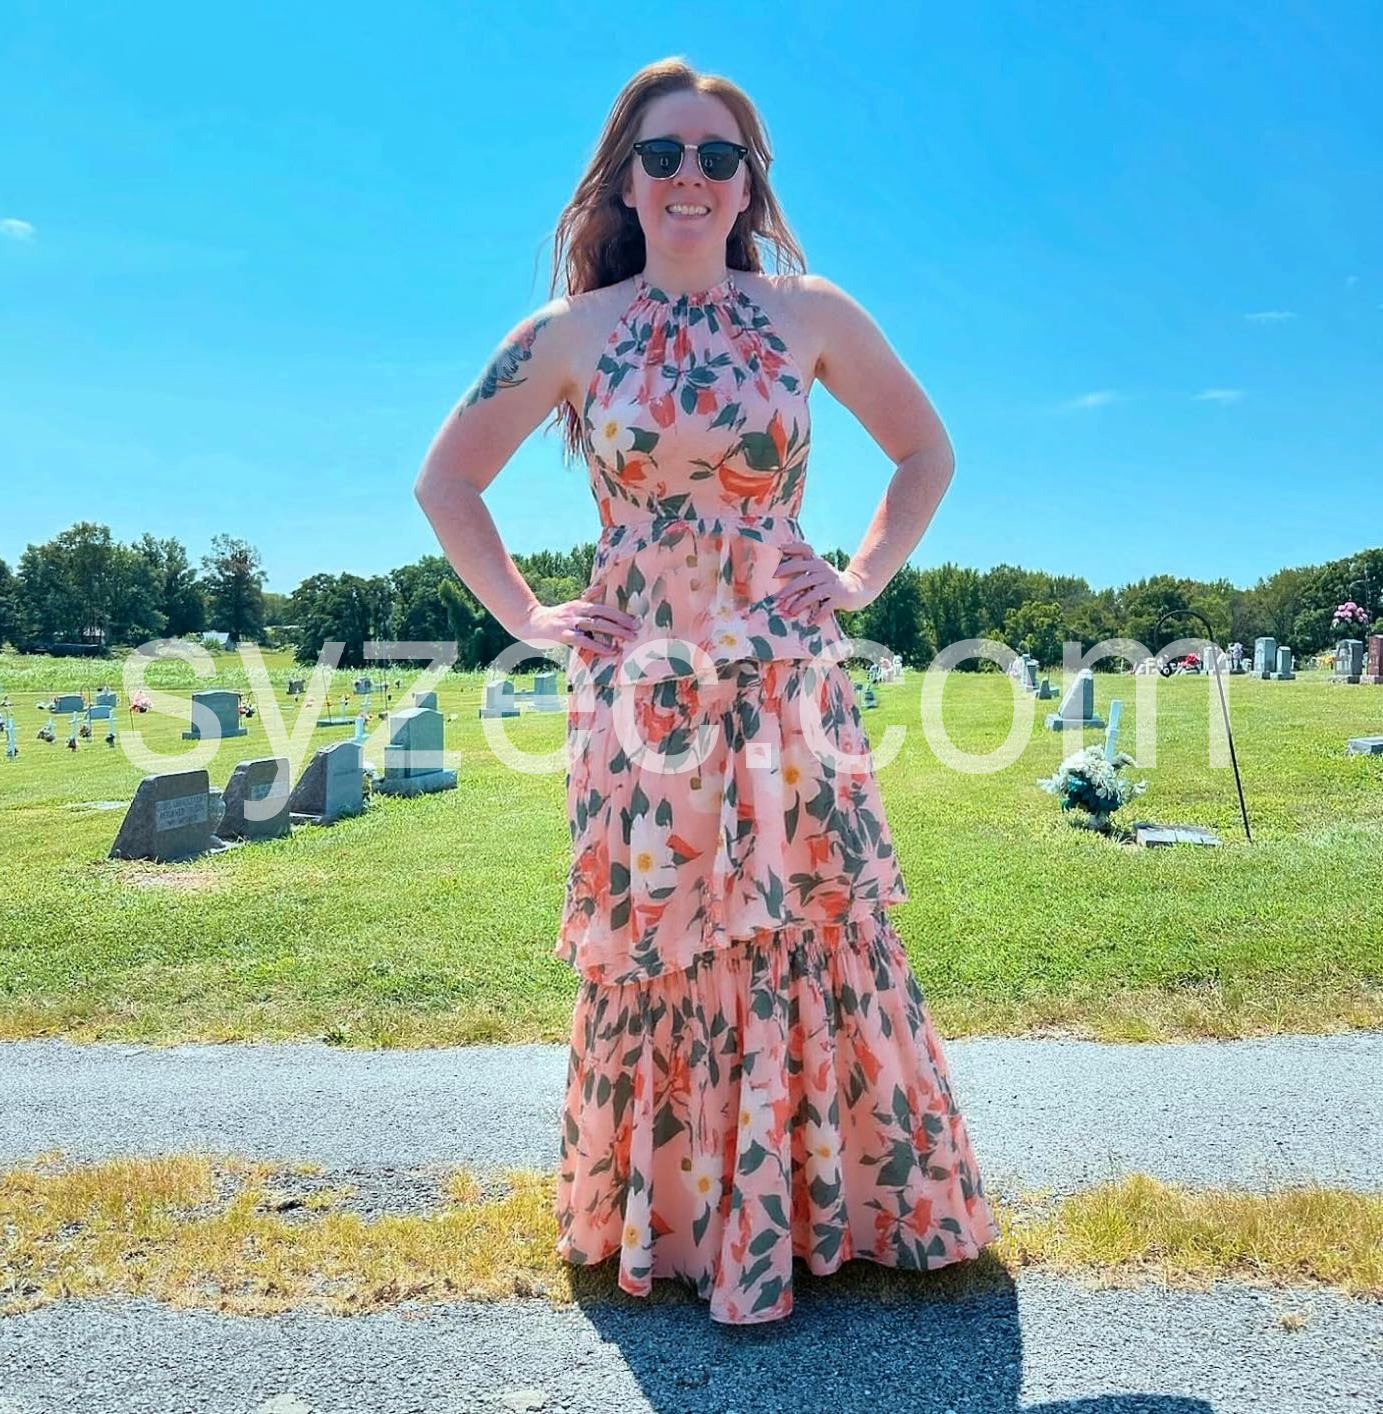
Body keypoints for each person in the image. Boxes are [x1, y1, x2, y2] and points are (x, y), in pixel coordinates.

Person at [414, 57, 999, 1325]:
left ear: (748, 184)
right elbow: (445, 480)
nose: (691, 175)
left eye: (717, 156)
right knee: (664, 933)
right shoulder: (570, 334)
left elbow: (925, 451)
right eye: (665, 153)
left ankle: (828, 1212)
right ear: (625, 180)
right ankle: (680, 1224)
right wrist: (527, 614)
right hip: (645, 696)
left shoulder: (808, 314)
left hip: (785, 684)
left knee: (806, 926)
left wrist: (858, 576)